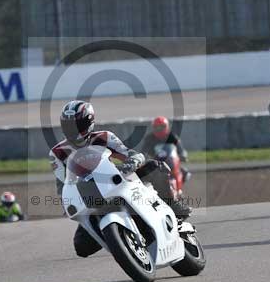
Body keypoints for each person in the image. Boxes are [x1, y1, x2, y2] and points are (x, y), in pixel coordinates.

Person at [50, 100, 192, 258]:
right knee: (81, 247)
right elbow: (62, 184)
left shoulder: (104, 137)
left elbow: (130, 154)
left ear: (89, 122)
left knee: (154, 166)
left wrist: (132, 162)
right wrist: (67, 202)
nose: (73, 129)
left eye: (78, 124)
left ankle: (173, 205)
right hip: (90, 196)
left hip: (116, 180)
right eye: (69, 125)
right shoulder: (57, 153)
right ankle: (120, 239)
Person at [140, 116, 191, 182]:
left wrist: (183, 156)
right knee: (143, 177)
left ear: (166, 127)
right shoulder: (149, 138)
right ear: (153, 128)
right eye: (157, 127)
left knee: (185, 174)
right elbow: (144, 151)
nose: (159, 129)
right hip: (156, 163)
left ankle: (179, 188)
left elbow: (181, 150)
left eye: (162, 127)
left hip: (171, 162)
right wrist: (147, 158)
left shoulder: (172, 136)